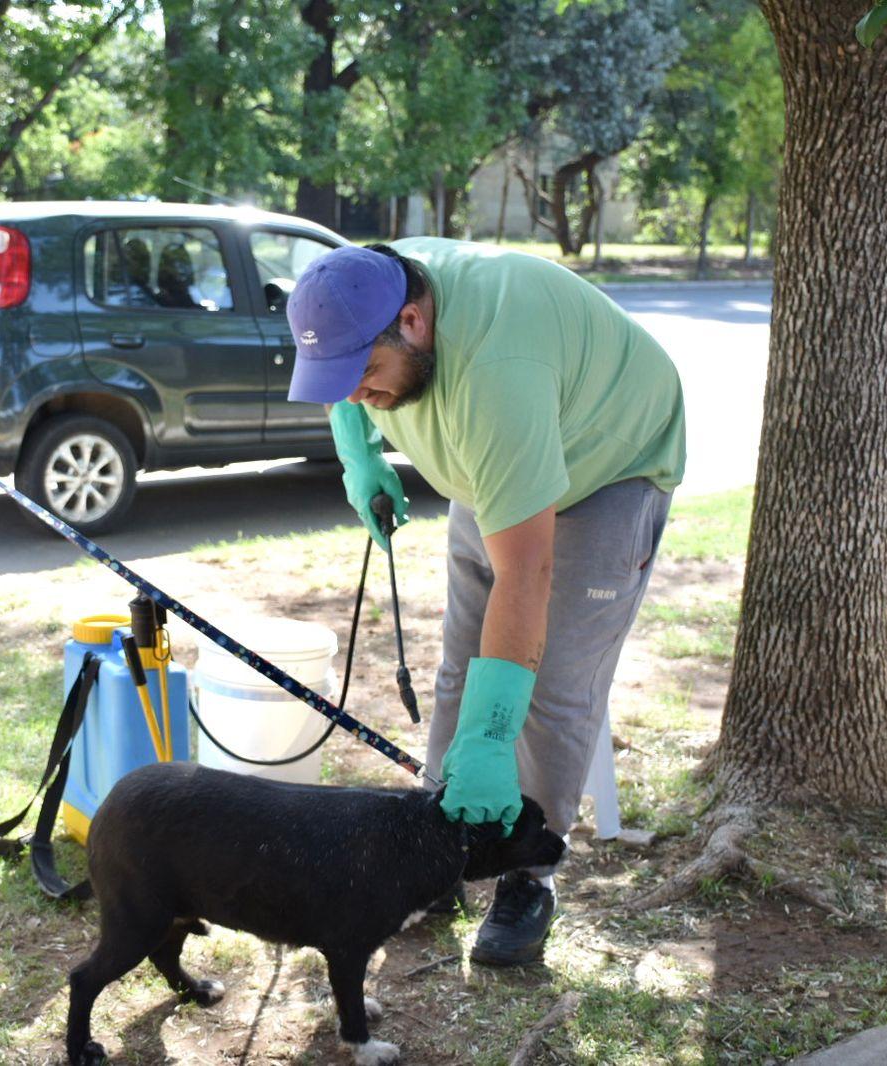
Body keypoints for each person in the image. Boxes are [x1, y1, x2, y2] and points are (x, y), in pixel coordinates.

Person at [285, 239, 684, 965]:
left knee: (550, 691)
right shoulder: (356, 287)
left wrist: (493, 737)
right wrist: (361, 454)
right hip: (498, 465)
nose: (354, 394)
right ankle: (440, 850)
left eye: (366, 375)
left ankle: (528, 874)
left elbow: (526, 572)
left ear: (412, 322)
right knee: (461, 668)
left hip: (604, 472)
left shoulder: (498, 372)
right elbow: (346, 380)